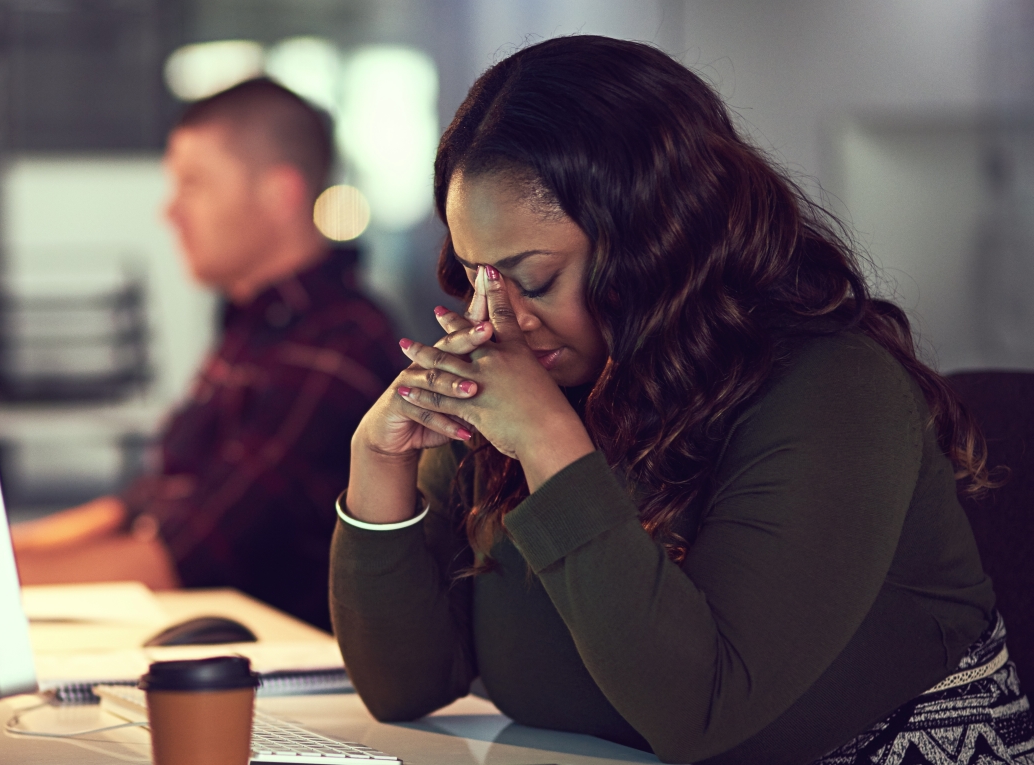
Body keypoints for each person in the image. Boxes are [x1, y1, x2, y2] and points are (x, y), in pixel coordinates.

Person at [330, 36, 1034, 765]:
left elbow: (700, 711)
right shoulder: (539, 379)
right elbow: (403, 686)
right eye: (476, 274)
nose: (495, 313)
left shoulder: (837, 389)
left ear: (657, 243)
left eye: (532, 278)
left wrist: (549, 443)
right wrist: (377, 461)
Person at [12, 79, 401, 632]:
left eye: (193, 184)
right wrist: (2, 548)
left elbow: (180, 557)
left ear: (279, 195)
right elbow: (149, 498)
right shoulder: (259, 325)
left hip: (284, 685)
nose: (170, 211)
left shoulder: (334, 348)